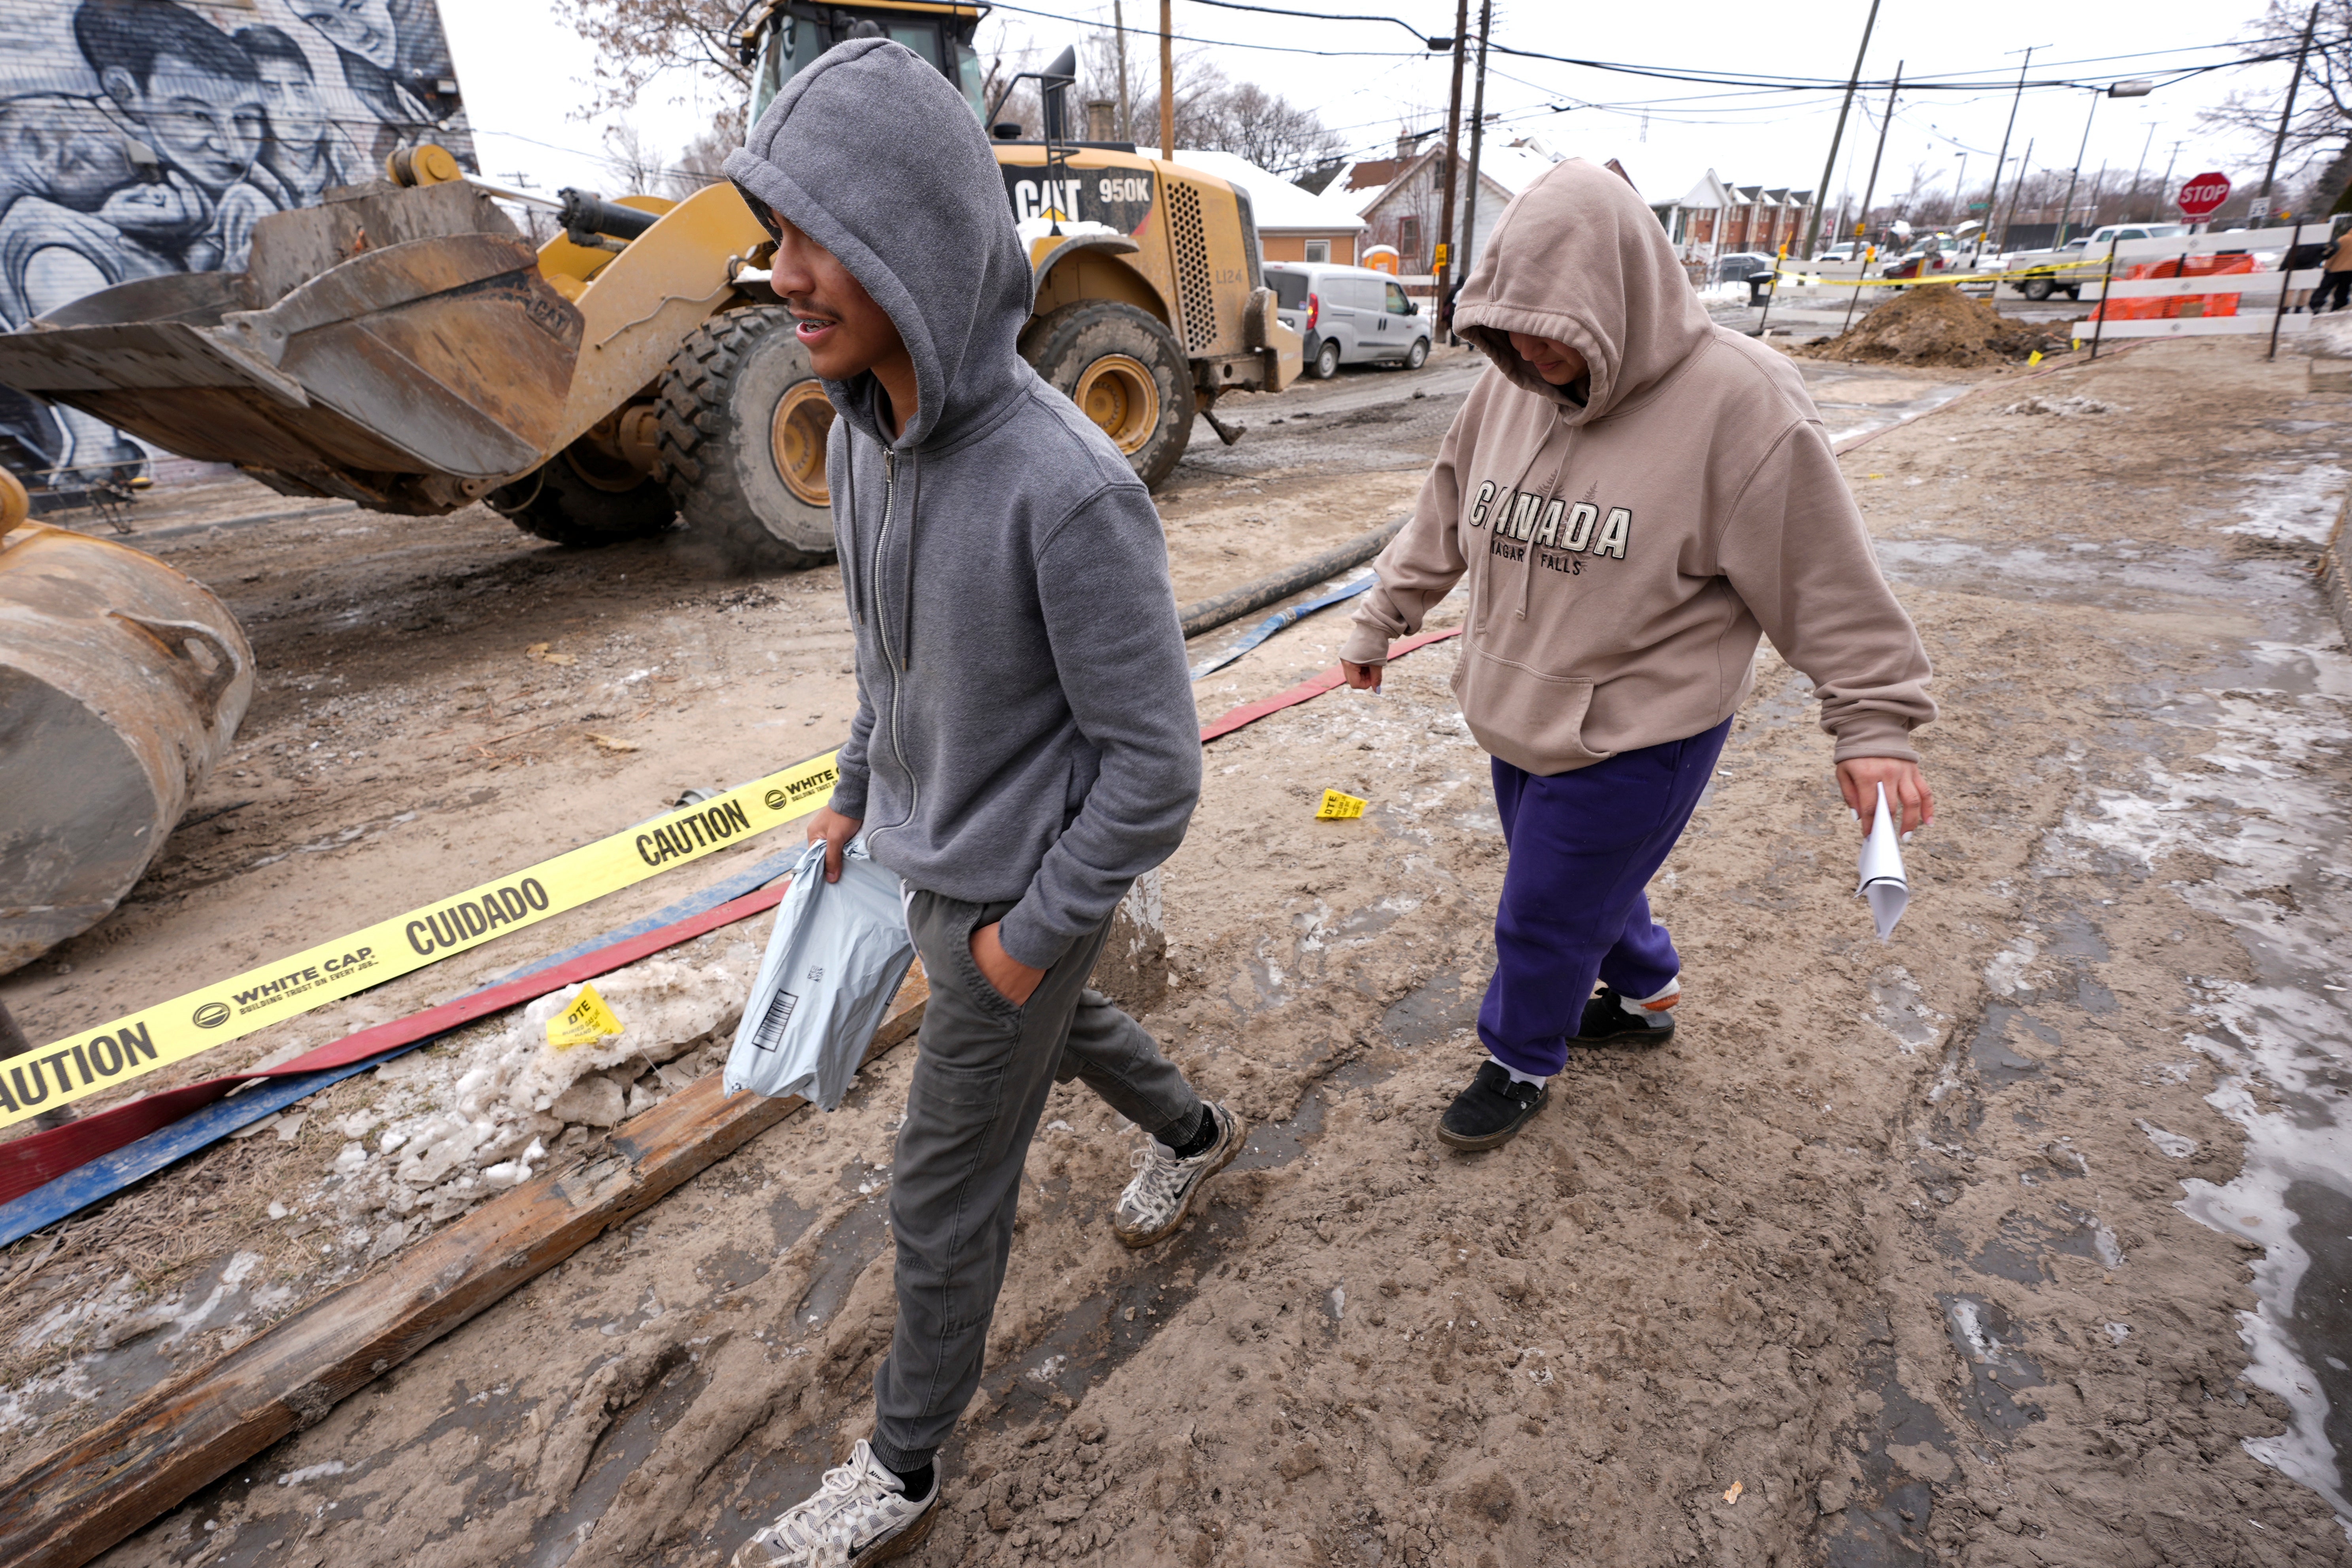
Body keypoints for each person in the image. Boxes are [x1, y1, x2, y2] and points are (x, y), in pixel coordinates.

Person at [720, 37, 1245, 1565]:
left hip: (1015, 895)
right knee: (1056, 1029)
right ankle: (1198, 1127)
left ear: (913, 245)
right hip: (923, 871)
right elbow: (886, 656)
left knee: (940, 1184)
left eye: (818, 236)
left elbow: (1156, 767)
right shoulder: (862, 437)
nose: (782, 273)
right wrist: (851, 790)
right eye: (775, 233)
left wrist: (1030, 931)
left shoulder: (1068, 488)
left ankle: (901, 1465)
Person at [1340, 158, 1936, 1153]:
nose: (1529, 351)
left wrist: (1874, 723)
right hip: (1518, 708)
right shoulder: (1509, 387)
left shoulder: (1742, 404)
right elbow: (1445, 509)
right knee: (1577, 880)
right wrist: (1381, 617)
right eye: (1509, 327)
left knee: (1541, 909)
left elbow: (1823, 574)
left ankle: (1519, 1057)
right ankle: (1647, 991)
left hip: (1642, 727)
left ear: (1620, 295)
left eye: (1554, 328)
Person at [234, 25, 364, 209]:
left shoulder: (348, 164)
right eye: (273, 91)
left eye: (300, 89)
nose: (295, 108)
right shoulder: (246, 197)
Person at [2316, 225, 2352, 314]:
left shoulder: (2344, 239)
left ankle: (2317, 305)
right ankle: (2339, 306)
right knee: (2343, 289)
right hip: (2350, 270)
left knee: (2325, 287)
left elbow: (2334, 253)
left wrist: (2327, 266)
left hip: (2336, 269)